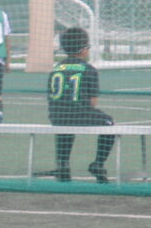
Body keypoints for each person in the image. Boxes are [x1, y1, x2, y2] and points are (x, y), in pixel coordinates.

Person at [45, 25, 116, 182]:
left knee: (64, 124)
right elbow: (93, 102)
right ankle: (98, 163)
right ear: (83, 49)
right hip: (79, 114)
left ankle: (63, 164)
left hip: (56, 116)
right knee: (109, 123)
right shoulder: (89, 69)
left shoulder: (56, 68)